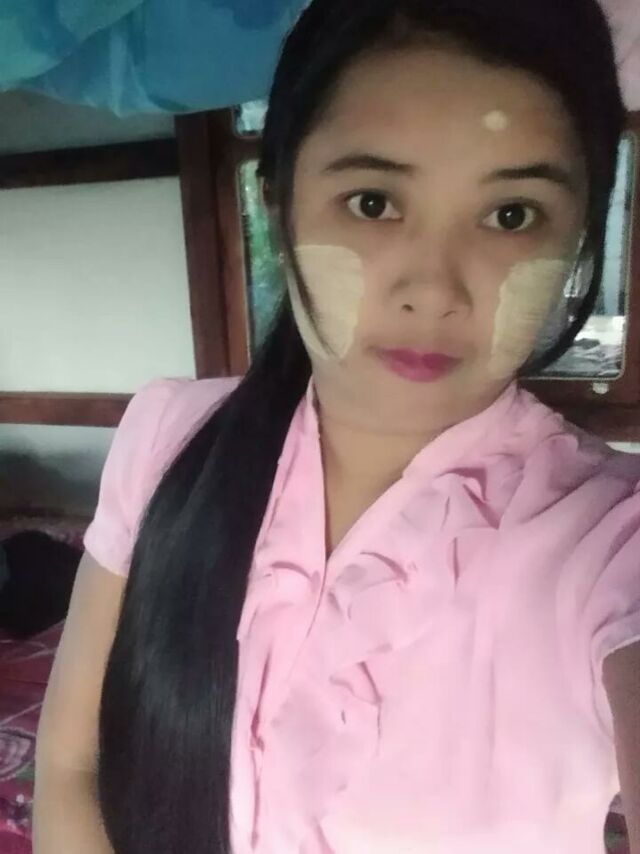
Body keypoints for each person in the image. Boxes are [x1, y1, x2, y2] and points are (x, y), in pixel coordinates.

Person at [33, 1, 640, 852]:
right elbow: (70, 766)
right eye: (373, 202)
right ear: (277, 206)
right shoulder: (170, 437)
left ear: (579, 236)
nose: (433, 290)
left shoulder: (606, 536)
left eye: (511, 215)